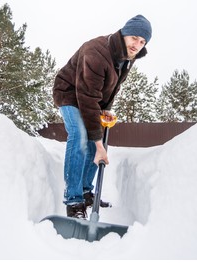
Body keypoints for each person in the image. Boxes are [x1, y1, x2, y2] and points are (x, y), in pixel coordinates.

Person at [52, 15, 152, 219]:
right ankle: (73, 200)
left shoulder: (127, 57)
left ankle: (86, 192)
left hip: (91, 98)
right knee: (81, 136)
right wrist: (98, 142)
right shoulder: (96, 52)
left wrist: (105, 109)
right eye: (134, 37)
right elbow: (86, 98)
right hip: (69, 93)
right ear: (123, 33)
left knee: (95, 142)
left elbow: (111, 88)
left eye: (143, 42)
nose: (137, 45)